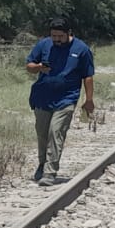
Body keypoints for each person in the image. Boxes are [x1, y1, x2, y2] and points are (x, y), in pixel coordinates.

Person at [24, 17, 96, 185]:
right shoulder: (43, 45)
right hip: (42, 97)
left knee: (56, 132)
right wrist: (39, 67)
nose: (56, 39)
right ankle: (42, 164)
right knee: (42, 134)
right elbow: (29, 66)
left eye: (60, 36)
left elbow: (88, 76)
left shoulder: (81, 49)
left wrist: (89, 99)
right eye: (53, 36)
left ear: (68, 33)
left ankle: (50, 172)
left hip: (67, 98)